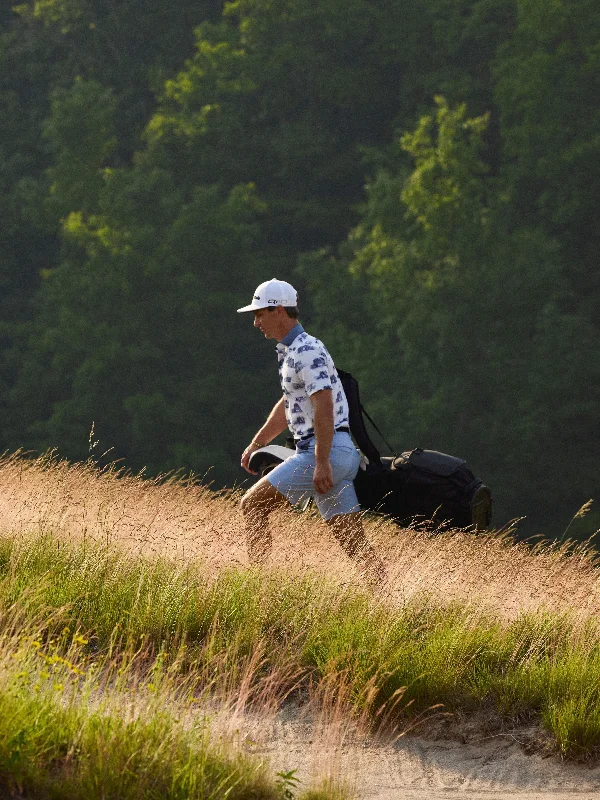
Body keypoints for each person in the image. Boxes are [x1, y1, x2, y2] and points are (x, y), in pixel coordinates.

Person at [238, 278, 386, 588]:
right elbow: (289, 404)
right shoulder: (293, 352)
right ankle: (384, 593)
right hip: (335, 453)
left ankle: (255, 589)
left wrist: (320, 460)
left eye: (260, 314)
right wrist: (258, 442)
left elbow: (324, 404)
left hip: (324, 452)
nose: (255, 322)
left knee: (251, 505)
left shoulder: (306, 350)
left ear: (279, 311)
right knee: (354, 545)